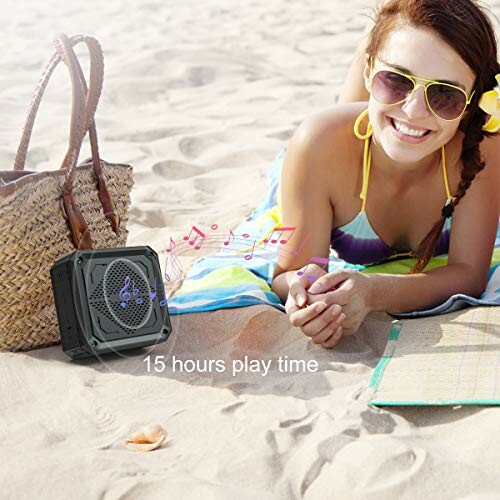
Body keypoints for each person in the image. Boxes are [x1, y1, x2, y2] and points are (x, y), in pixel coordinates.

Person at [270, 0, 500, 349]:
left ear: (470, 103)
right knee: (352, 116)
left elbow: (469, 274)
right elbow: (290, 272)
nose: (414, 109)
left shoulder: (484, 146)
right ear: (368, 73)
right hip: (343, 145)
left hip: (392, 136)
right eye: (395, 79)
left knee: (392, 117)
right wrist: (309, 290)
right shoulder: (319, 145)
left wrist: (374, 292)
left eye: (445, 94)